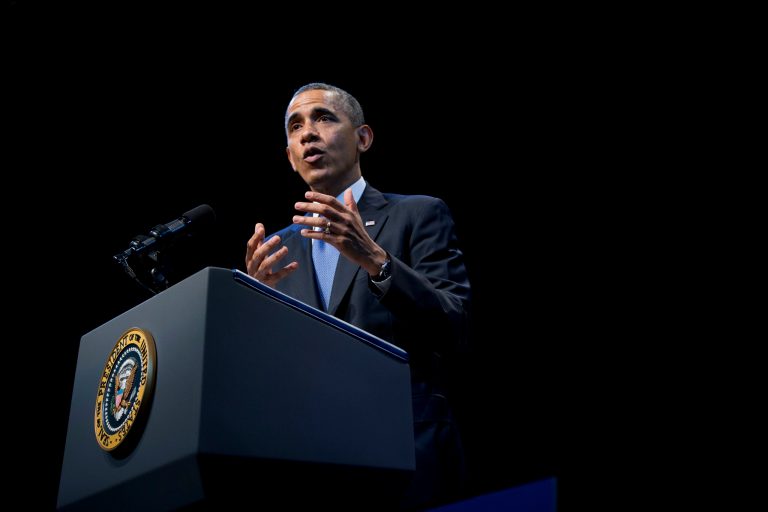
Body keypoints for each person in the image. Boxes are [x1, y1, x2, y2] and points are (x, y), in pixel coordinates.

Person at [244, 83, 471, 509]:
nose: (308, 132)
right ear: (290, 157)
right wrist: (255, 308)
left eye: (324, 118)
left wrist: (376, 260)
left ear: (362, 138)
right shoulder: (275, 253)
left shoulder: (417, 214)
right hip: (312, 464)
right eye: (296, 127)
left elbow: (453, 326)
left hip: (408, 452)